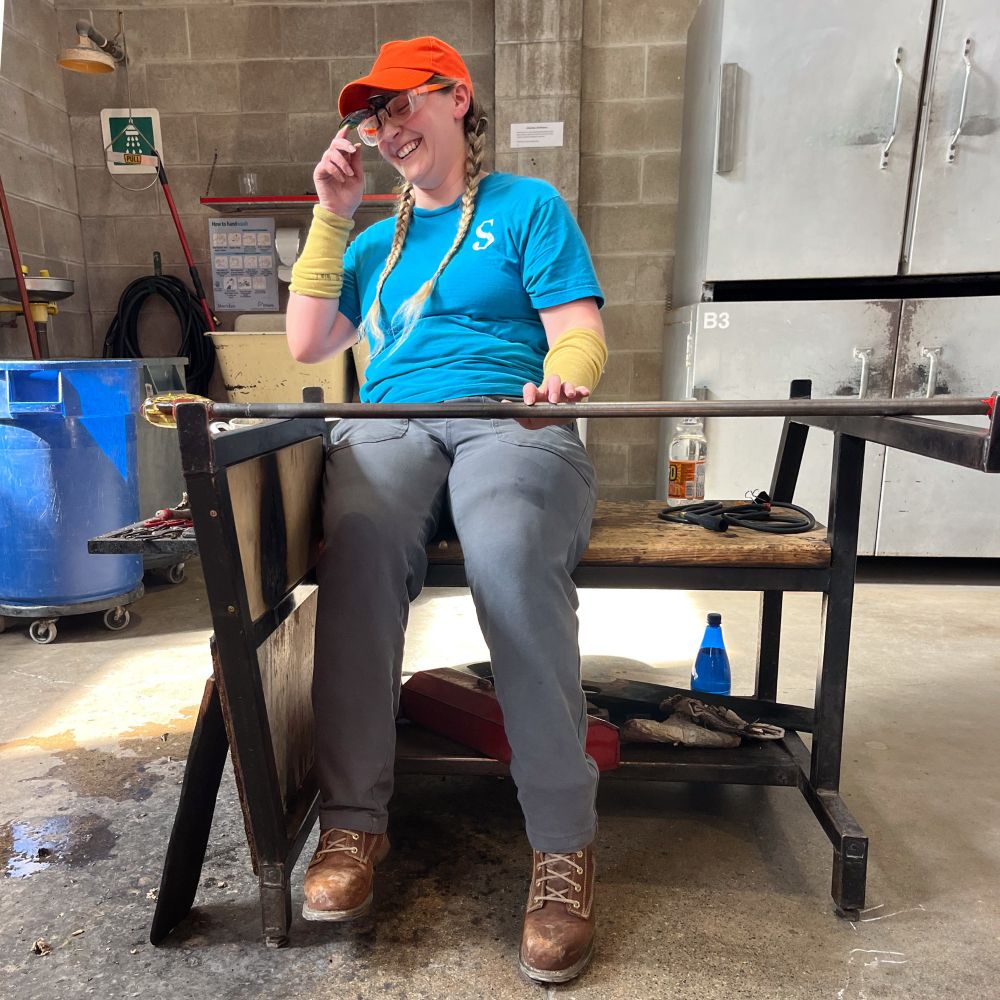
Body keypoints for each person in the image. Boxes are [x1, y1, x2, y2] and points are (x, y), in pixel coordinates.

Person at [286, 36, 608, 985]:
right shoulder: (372, 242)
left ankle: (562, 844)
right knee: (357, 545)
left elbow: (578, 330)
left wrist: (563, 381)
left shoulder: (526, 207)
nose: (386, 130)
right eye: (372, 118)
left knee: (509, 553)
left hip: (510, 415)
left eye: (401, 106)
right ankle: (352, 825)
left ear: (456, 97)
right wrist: (331, 215)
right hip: (392, 422)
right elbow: (308, 343)